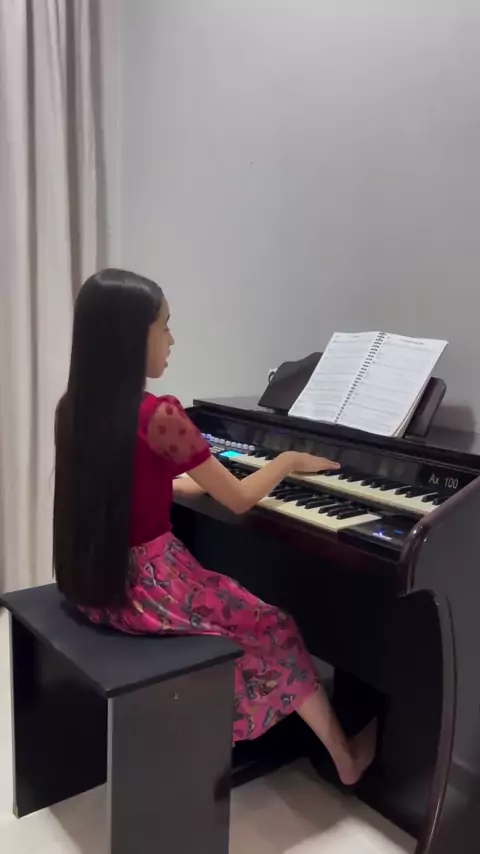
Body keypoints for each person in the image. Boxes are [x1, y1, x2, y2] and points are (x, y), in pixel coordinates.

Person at [53, 268, 375, 785]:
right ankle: (346, 760)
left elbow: (136, 483)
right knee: (275, 625)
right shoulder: (161, 416)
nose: (172, 340)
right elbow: (241, 500)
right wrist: (287, 461)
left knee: (237, 600)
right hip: (148, 591)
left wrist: (197, 481)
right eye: (165, 326)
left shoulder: (76, 408)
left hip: (99, 584)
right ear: (131, 337)